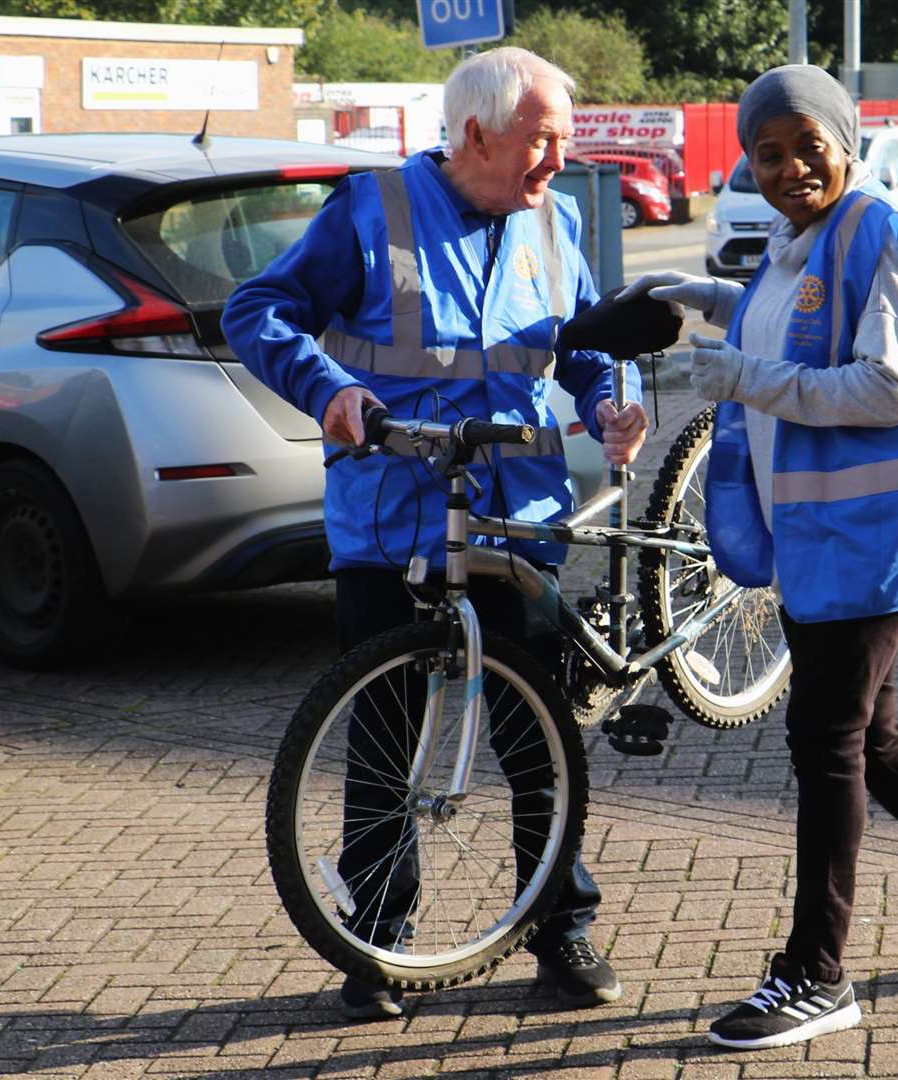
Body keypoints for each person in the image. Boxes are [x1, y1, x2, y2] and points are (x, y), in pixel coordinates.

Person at [620, 64, 898, 1051]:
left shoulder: (874, 231)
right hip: (831, 540)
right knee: (869, 738)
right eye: (766, 153)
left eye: (806, 146)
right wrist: (711, 297)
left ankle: (814, 975)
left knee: (825, 742)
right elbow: (799, 316)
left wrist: (742, 373)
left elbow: (888, 386)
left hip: (870, 540)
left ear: (846, 140)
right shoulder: (805, 241)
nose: (788, 168)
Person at [223, 47, 647, 1020]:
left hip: (515, 520)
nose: (558, 161)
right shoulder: (374, 211)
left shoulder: (554, 217)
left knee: (538, 738)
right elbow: (258, 310)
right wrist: (329, 392)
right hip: (392, 521)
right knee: (383, 744)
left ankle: (561, 929)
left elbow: (581, 344)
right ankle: (376, 943)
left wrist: (612, 400)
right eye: (544, 142)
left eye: (564, 142)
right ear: (476, 136)